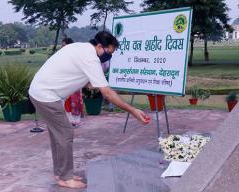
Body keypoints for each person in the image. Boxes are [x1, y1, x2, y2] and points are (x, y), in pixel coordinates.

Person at [29, 31, 149, 189]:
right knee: (65, 133)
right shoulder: (90, 58)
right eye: (108, 52)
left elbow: (84, 80)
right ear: (100, 46)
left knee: (58, 135)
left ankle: (60, 173)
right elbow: (106, 93)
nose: (109, 56)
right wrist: (133, 110)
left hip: (40, 92)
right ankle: (66, 177)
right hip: (47, 96)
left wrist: (97, 83)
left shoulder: (81, 48)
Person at [62, 37, 84, 126]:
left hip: (74, 81)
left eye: (64, 45)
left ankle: (75, 121)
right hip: (65, 81)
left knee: (74, 101)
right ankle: (67, 121)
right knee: (66, 101)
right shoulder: (62, 55)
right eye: (62, 46)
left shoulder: (75, 55)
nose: (63, 47)